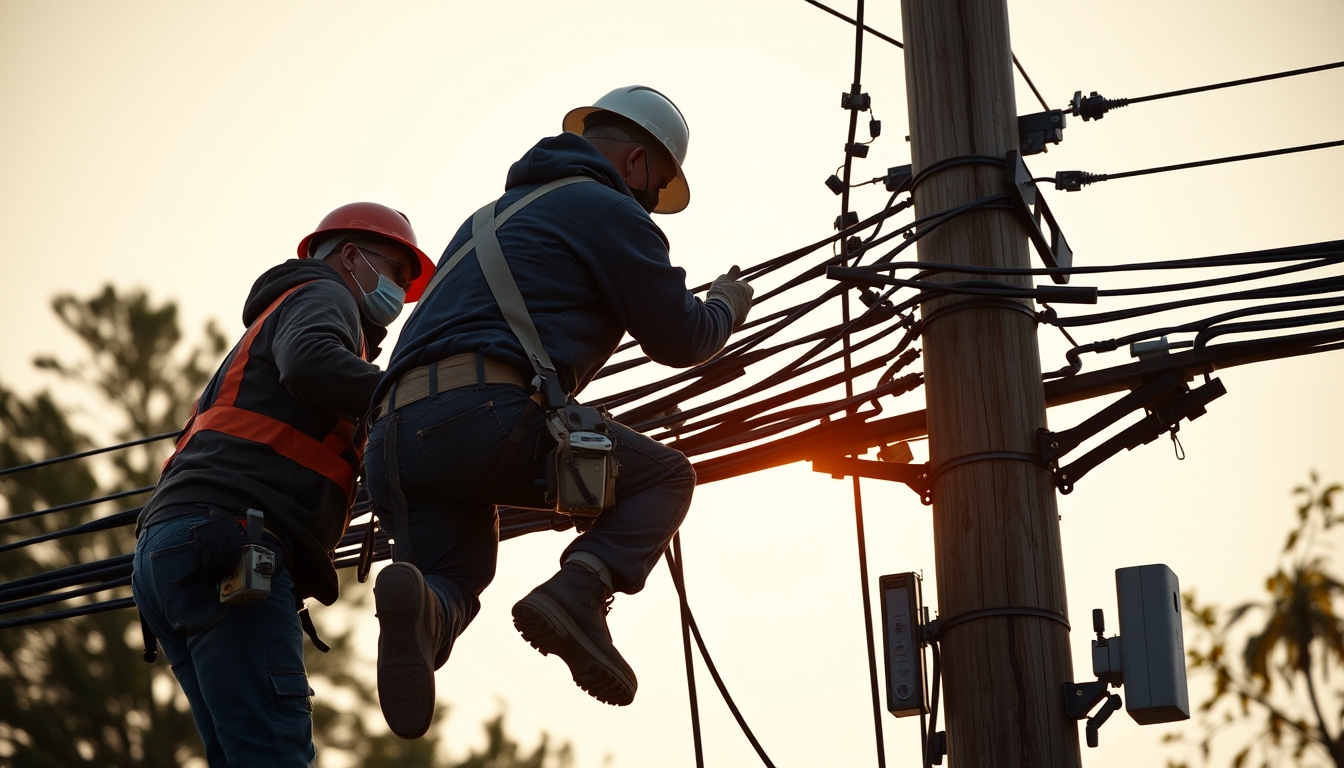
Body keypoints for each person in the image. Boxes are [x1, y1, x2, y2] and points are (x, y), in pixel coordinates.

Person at [362, 85, 754, 740]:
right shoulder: (605, 208)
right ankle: (579, 589)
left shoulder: (485, 219)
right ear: (633, 162)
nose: (650, 206)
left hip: (391, 440)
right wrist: (727, 306)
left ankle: (423, 609)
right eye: (654, 190)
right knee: (663, 478)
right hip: (477, 415)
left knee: (457, 575)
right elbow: (682, 339)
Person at [131, 203, 435, 767]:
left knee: (241, 756)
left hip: (176, 548)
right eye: (395, 270)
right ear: (349, 257)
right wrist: (416, 393)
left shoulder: (282, 312)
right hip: (225, 540)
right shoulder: (325, 296)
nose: (398, 290)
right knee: (272, 755)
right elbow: (311, 363)